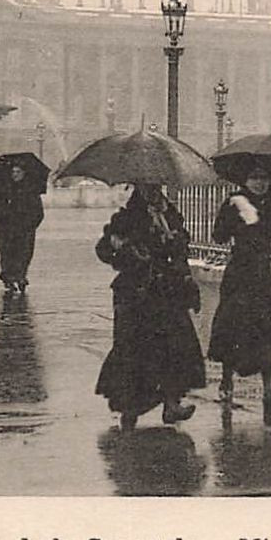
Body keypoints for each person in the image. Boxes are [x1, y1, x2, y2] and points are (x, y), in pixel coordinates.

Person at [94, 182, 206, 431]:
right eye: (147, 189)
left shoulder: (171, 215)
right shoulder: (126, 218)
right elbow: (104, 250)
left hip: (168, 290)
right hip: (135, 294)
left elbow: (180, 252)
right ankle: (129, 411)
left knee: (174, 345)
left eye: (156, 187)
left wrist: (176, 246)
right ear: (138, 191)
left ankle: (171, 404)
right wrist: (124, 248)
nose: (153, 193)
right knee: (135, 351)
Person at [207, 166, 271, 415]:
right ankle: (227, 381)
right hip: (240, 273)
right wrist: (240, 221)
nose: (260, 183)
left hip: (264, 275)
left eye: (265, 178)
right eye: (255, 177)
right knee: (233, 326)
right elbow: (218, 236)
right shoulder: (235, 202)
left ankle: (269, 392)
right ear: (245, 179)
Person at [0, 163, 45, 294]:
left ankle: (20, 276)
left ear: (24, 173)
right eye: (13, 172)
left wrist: (31, 226)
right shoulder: (2, 191)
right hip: (6, 229)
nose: (15, 175)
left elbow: (38, 212)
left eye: (18, 172)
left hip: (24, 229)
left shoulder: (31, 191)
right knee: (7, 253)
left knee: (24, 254)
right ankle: (8, 277)